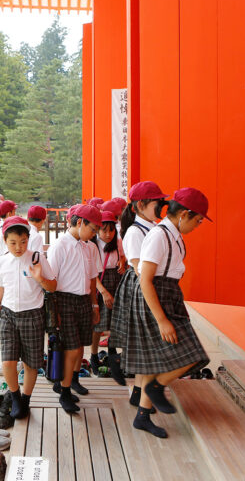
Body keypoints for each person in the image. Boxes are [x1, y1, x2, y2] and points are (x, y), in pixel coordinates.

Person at [126, 188, 212, 439]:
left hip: (168, 297)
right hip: (156, 300)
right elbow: (145, 280)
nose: (198, 225)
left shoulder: (173, 235)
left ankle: (142, 416)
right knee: (194, 355)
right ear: (184, 214)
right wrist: (162, 320)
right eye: (197, 220)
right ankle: (156, 387)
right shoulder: (159, 236)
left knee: (156, 360)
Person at [0, 217, 57, 419]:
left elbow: (53, 287)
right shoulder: (1, 261)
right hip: (8, 315)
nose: (18, 247)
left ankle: (26, 399)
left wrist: (40, 278)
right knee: (8, 362)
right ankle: (15, 397)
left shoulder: (37, 258)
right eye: (13, 243)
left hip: (33, 315)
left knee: (31, 363)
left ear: (28, 239)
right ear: (5, 240)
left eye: (23, 242)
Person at [114, 181, 168, 408]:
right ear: (142, 205)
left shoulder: (151, 227)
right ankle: (143, 395)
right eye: (158, 202)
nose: (162, 206)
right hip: (141, 287)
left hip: (148, 286)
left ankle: (139, 392)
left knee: (147, 344)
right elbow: (139, 269)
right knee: (148, 344)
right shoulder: (136, 232)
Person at [47, 204, 102, 413]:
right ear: (80, 222)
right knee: (71, 349)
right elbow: (52, 281)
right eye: (93, 229)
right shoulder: (60, 246)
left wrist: (94, 304)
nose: (95, 233)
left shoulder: (90, 246)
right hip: (64, 301)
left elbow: (92, 278)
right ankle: (65, 391)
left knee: (80, 347)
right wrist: (55, 312)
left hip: (83, 301)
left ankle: (69, 381)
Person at [91, 207, 127, 383]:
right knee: (98, 323)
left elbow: (123, 257)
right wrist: (103, 292)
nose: (108, 234)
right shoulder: (93, 244)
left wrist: (122, 261)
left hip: (116, 279)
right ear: (97, 229)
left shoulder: (118, 241)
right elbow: (92, 274)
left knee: (114, 320)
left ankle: (112, 351)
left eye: (111, 229)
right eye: (104, 230)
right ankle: (93, 355)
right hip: (100, 282)